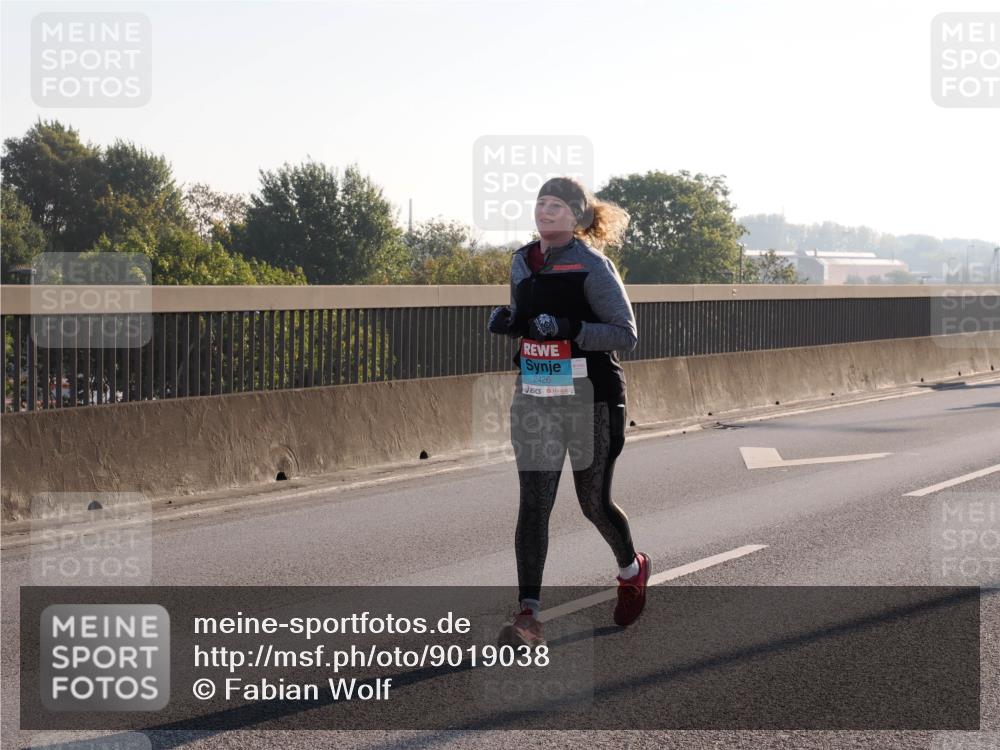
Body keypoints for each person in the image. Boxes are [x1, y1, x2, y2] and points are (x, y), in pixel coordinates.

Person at [487, 176, 650, 649]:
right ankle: (527, 617)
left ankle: (631, 569)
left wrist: (571, 327)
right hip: (537, 396)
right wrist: (509, 322)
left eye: (557, 205)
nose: (545, 211)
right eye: (540, 203)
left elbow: (625, 334)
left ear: (577, 217)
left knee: (592, 502)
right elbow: (525, 317)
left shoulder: (593, 266)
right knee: (534, 504)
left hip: (591, 399)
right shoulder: (522, 260)